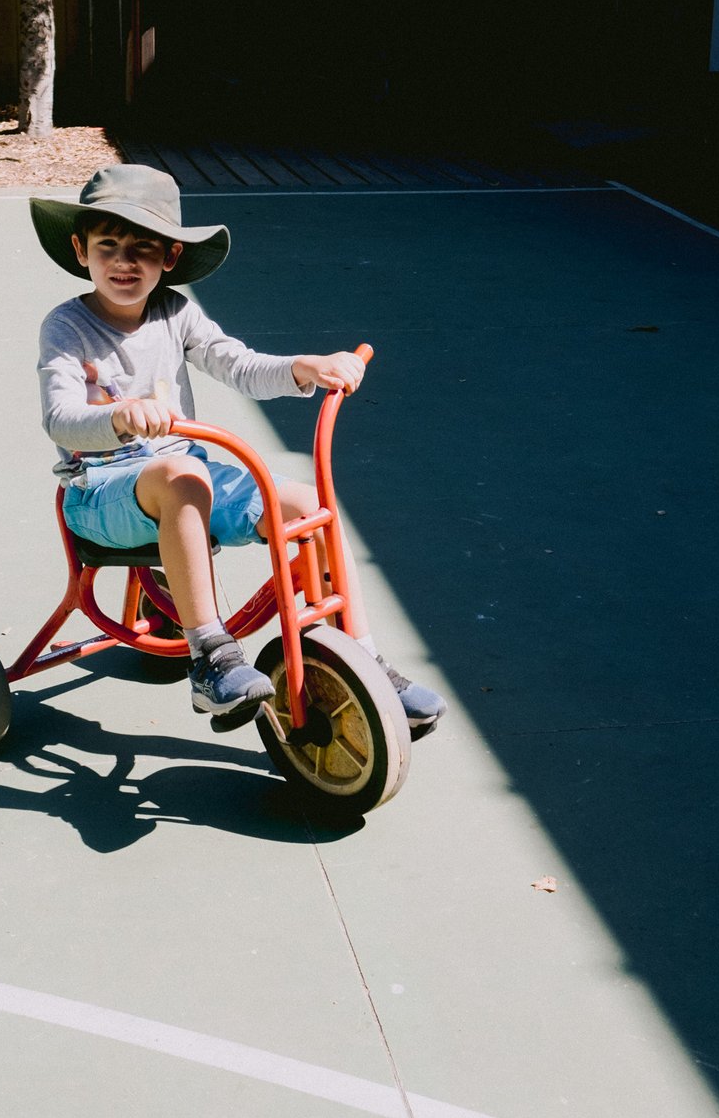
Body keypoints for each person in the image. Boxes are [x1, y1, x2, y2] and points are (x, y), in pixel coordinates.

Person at [30, 165, 446, 735]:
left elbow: (239, 364)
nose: (125, 261)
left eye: (143, 249)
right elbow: (62, 417)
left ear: (170, 258)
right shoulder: (67, 326)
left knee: (306, 504)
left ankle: (363, 656)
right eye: (108, 245)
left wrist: (304, 368)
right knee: (182, 474)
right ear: (81, 249)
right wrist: (117, 416)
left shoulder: (175, 312)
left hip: (184, 477)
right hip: (100, 490)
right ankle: (210, 657)